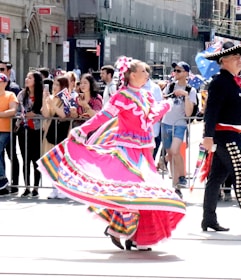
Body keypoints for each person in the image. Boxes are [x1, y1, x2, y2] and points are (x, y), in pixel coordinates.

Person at [38, 57, 185, 251]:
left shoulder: (146, 96)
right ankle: (122, 230)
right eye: (144, 71)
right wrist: (82, 131)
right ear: (133, 75)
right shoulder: (122, 96)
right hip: (126, 151)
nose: (148, 74)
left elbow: (151, 117)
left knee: (145, 193)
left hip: (144, 152)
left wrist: (168, 102)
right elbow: (104, 116)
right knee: (133, 192)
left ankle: (134, 236)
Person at [201, 41, 241, 231]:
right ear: (223, 61)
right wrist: (207, 136)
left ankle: (208, 218)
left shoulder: (234, 82)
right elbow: (211, 111)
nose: (239, 61)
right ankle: (208, 218)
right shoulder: (219, 82)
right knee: (239, 176)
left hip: (232, 135)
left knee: (216, 178)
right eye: (235, 58)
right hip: (227, 137)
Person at [162, 61, 197, 198]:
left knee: (176, 150)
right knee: (171, 156)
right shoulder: (170, 86)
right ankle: (176, 187)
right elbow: (162, 102)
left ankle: (181, 177)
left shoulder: (190, 90)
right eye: (175, 70)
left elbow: (188, 113)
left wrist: (185, 96)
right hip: (166, 123)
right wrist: (171, 94)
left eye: (179, 71)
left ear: (186, 73)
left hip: (180, 124)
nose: (175, 73)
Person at [41, 75, 70, 199]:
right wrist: (44, 98)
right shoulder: (51, 98)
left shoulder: (66, 97)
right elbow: (46, 113)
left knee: (61, 161)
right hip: (50, 132)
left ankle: (63, 188)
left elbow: (63, 114)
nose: (55, 87)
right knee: (51, 161)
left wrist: (53, 104)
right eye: (54, 84)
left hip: (62, 132)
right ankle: (54, 188)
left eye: (58, 85)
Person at [16, 71, 43, 198]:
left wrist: (35, 114)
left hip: (37, 130)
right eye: (26, 77)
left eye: (30, 78)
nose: (27, 79)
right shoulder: (22, 94)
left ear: (36, 81)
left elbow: (46, 112)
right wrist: (24, 116)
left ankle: (36, 187)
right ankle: (26, 187)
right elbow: (18, 112)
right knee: (25, 159)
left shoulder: (42, 95)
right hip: (24, 129)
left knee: (36, 159)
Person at [0, 61, 21, 194]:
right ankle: (2, 181)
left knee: (12, 155)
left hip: (7, 129)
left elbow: (13, 110)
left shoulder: (11, 92)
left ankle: (9, 181)